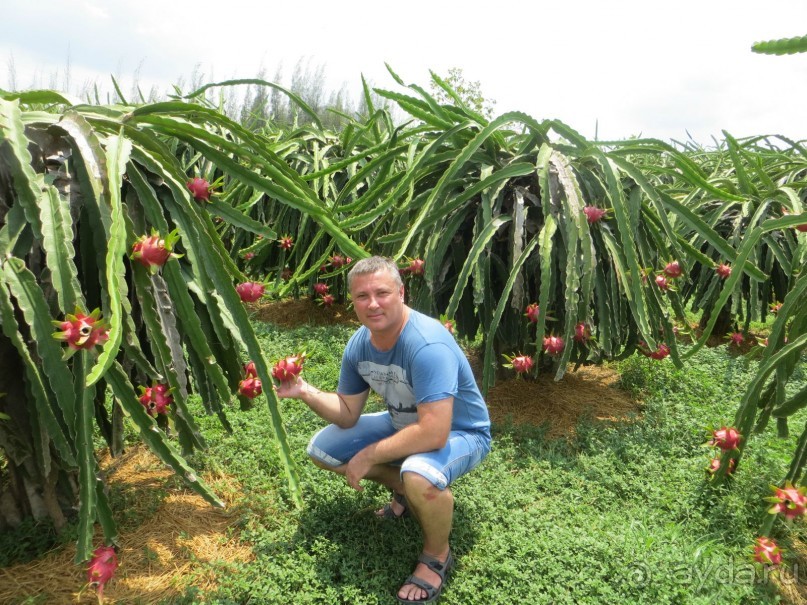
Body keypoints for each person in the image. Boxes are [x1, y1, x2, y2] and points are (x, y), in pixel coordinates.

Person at [275, 256, 492, 604]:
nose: (372, 304)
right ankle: (404, 488)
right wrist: (305, 391)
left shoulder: (427, 345)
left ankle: (437, 556)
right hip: (402, 423)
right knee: (323, 450)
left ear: (401, 293)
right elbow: (347, 413)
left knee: (419, 475)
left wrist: (369, 455)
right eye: (362, 296)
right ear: (353, 301)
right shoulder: (360, 344)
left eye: (382, 293)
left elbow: (435, 433)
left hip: (461, 432)